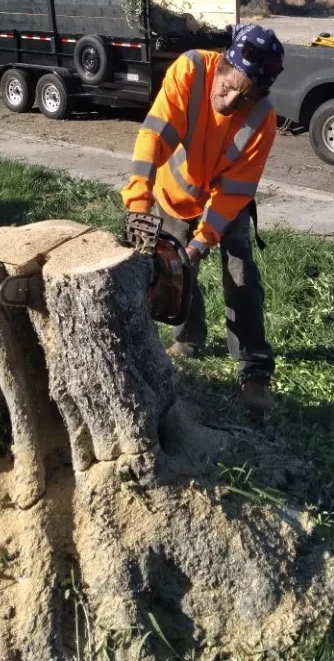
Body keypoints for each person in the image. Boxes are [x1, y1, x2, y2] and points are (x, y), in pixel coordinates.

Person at [121, 23, 285, 416]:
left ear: (260, 93)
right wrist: (138, 202)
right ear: (223, 63)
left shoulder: (262, 118)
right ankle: (189, 340)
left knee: (240, 273)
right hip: (173, 193)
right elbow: (154, 136)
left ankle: (254, 368)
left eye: (244, 97)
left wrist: (203, 240)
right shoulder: (191, 71)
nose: (229, 103)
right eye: (228, 88)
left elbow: (234, 191)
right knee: (174, 268)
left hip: (226, 203)